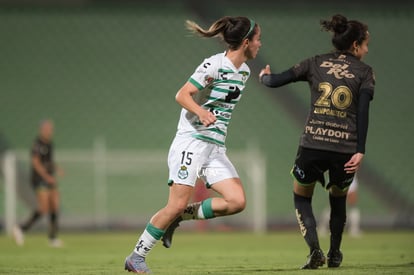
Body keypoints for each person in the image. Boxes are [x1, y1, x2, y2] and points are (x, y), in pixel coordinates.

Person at [124, 16, 261, 274]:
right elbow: (182, 94)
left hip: (214, 147)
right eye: (257, 39)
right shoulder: (213, 65)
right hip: (192, 142)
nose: (260, 44)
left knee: (236, 201)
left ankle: (179, 217)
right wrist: (200, 112)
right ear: (245, 42)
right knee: (174, 203)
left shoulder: (244, 72)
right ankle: (136, 257)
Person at [259, 14, 374, 269]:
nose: (366, 49)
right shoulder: (365, 73)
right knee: (338, 199)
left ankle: (314, 251)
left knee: (301, 198)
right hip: (344, 148)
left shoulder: (315, 63)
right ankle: (334, 253)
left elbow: (277, 80)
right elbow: (363, 112)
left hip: (312, 145)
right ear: (355, 45)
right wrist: (360, 150)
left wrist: (264, 77)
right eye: (365, 44)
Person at [13, 119, 64, 247]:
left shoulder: (50, 144)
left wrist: (57, 169)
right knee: (43, 208)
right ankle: (20, 228)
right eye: (48, 129)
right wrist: (46, 176)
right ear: (42, 129)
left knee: (55, 204)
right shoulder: (37, 144)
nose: (50, 131)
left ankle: (53, 238)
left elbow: (49, 161)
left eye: (51, 129)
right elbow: (35, 163)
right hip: (39, 179)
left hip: (49, 178)